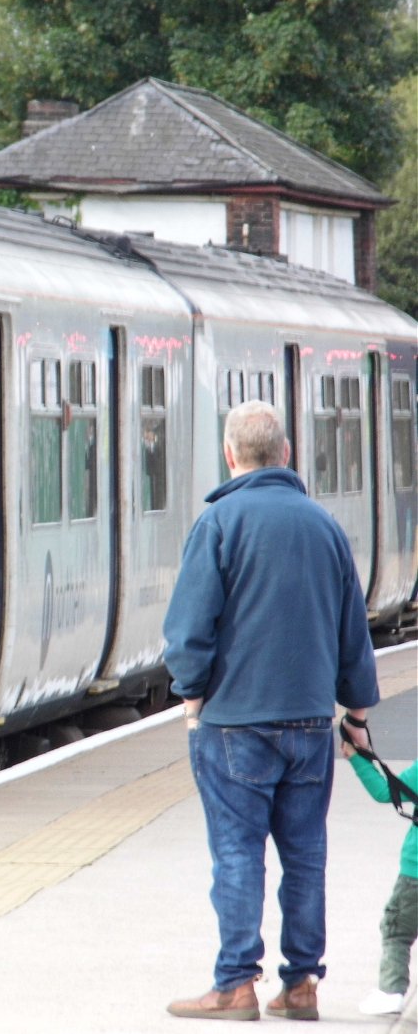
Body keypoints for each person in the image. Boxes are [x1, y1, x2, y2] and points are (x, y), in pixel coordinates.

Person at [163, 400, 379, 1022]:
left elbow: (188, 631)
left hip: (234, 726)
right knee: (305, 857)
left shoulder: (219, 524)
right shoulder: (324, 527)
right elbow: (353, 637)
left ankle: (235, 984)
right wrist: (357, 717)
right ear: (286, 454)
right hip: (311, 725)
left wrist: (192, 695)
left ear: (231, 457)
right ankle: (303, 984)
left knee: (237, 854)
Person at [340, 735, 416, 1016]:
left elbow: (386, 792)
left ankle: (390, 991)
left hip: (416, 872)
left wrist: (356, 757)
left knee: (397, 930)